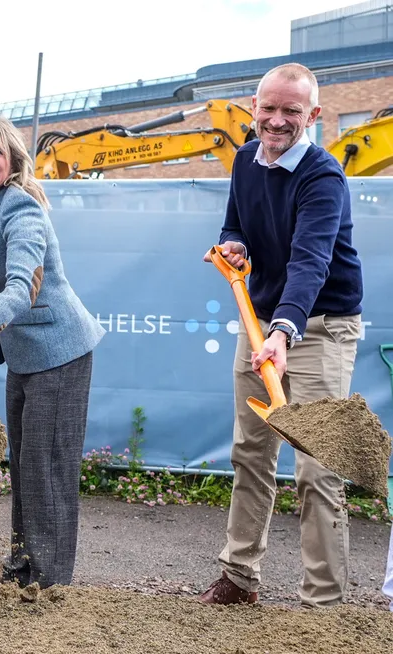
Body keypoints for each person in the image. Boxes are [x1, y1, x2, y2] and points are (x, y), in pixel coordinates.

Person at [199, 63, 364, 608]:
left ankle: (323, 603)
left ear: (312, 115)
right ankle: (239, 577)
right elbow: (234, 225)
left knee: (318, 466)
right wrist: (233, 246)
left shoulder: (324, 176)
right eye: (268, 108)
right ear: (253, 107)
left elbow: (309, 262)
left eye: (291, 111)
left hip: (319, 328)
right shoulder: (246, 159)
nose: (276, 120)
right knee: (251, 453)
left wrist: (285, 331)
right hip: (262, 324)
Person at [0, 116, 105, 589]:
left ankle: (48, 585)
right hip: (29, 355)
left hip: (59, 353)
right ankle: (22, 569)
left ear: (12, 163)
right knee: (27, 466)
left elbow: (22, 289)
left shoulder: (22, 211)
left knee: (48, 470)